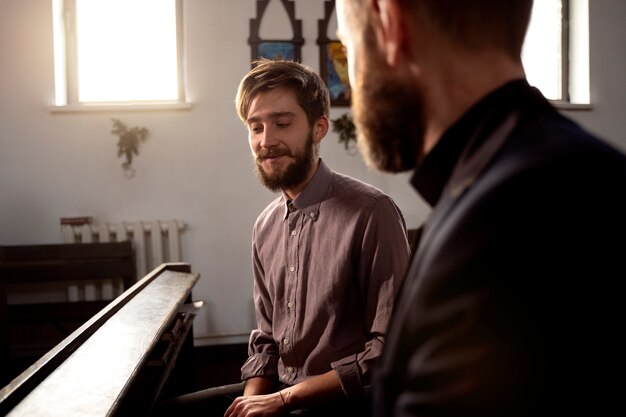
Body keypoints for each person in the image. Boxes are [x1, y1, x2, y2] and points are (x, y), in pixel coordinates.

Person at [335, 0, 626, 416]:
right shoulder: (552, 172)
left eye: (349, 49)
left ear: (389, 23)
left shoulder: (502, 222)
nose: (351, 83)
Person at [157, 59, 411, 417]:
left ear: (319, 127)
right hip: (280, 392)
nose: (266, 140)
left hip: (345, 401)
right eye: (255, 126)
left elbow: (392, 348)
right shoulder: (265, 225)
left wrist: (283, 401)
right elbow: (266, 343)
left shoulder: (373, 212)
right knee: (166, 413)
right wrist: (253, 402)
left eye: (282, 123)